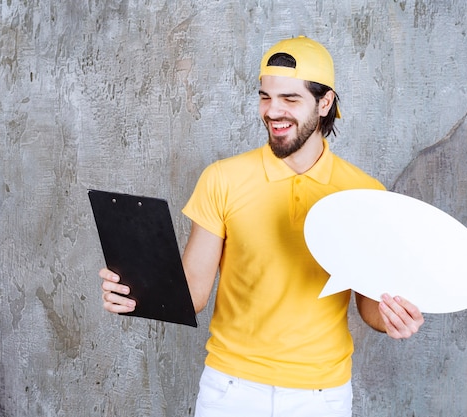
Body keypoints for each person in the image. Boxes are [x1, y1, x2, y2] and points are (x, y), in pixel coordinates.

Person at [100, 35, 424, 417]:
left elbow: (370, 306)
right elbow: (193, 292)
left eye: (290, 99)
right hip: (231, 389)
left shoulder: (365, 192)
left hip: (322, 395)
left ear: (325, 102)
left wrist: (395, 317)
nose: (273, 111)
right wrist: (138, 292)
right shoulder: (222, 179)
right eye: (265, 97)